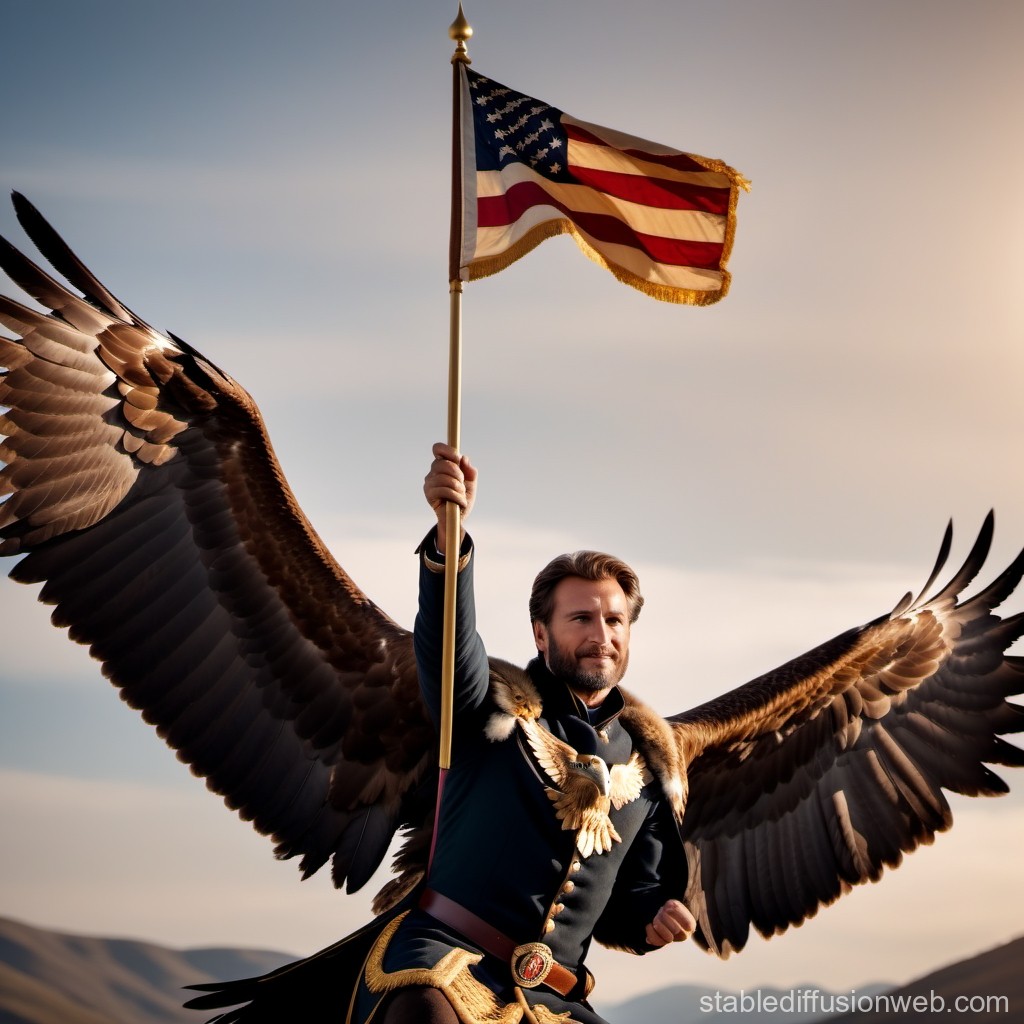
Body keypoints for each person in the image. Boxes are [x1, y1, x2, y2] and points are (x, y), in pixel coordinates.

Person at [354, 443, 696, 1024]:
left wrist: (654, 918)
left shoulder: (648, 761)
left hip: (555, 1001)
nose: (601, 635)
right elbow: (448, 644)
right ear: (541, 634)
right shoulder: (486, 705)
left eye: (614, 620)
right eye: (581, 619)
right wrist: (449, 539)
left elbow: (630, 900)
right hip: (445, 966)